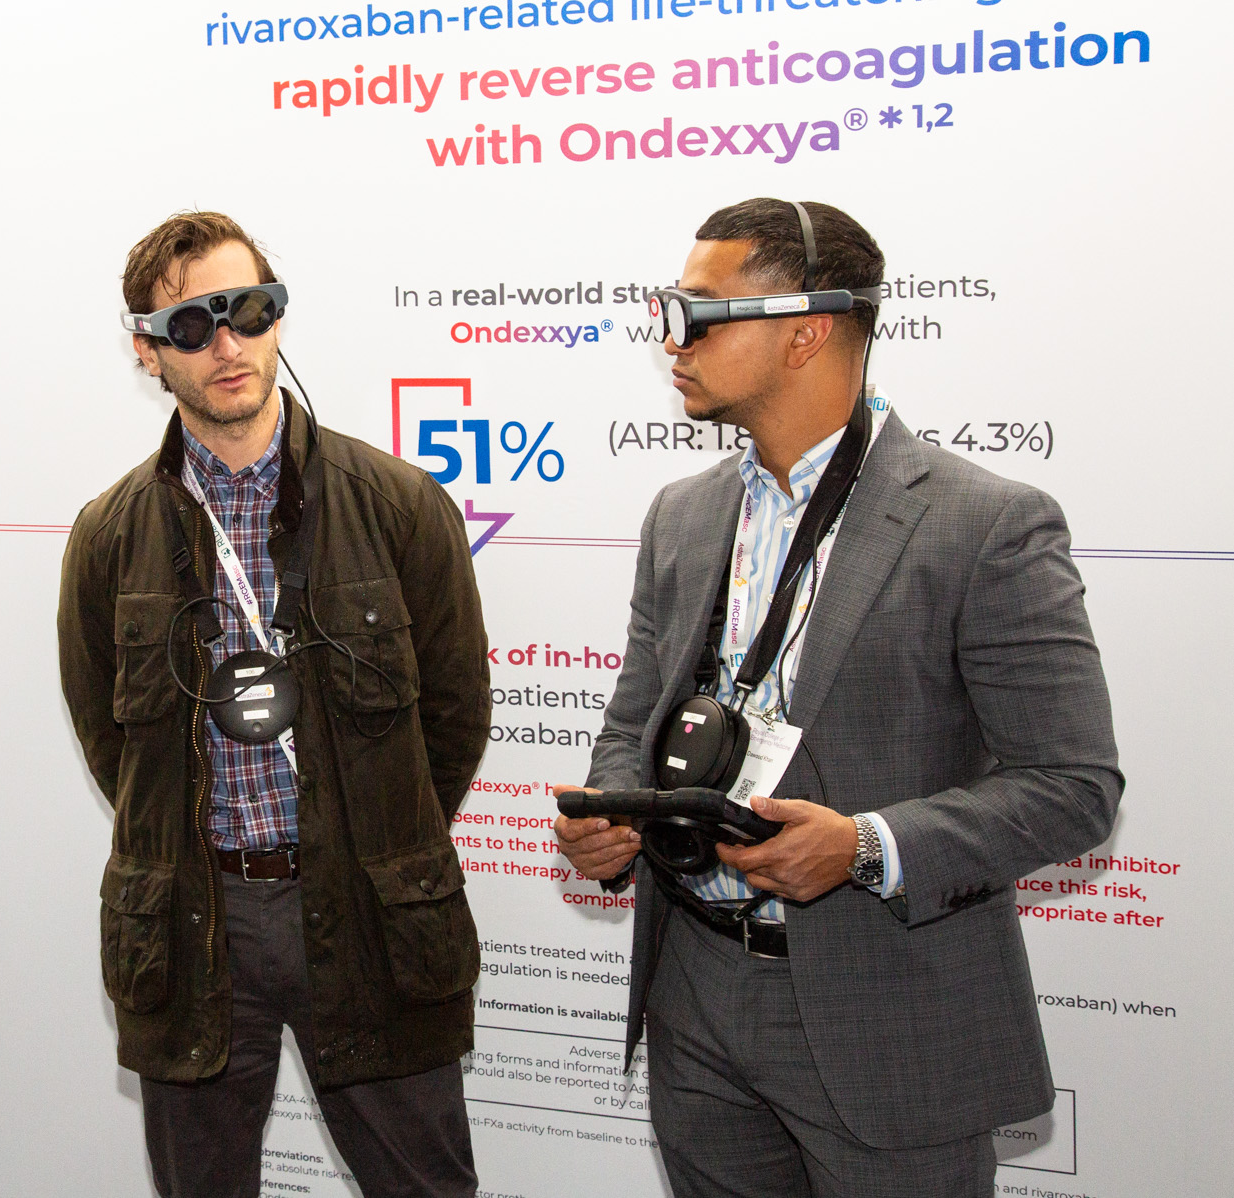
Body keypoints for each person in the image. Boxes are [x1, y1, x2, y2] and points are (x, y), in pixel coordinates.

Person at [553, 198, 1120, 1197]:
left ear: (806, 331)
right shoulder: (682, 515)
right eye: (668, 309)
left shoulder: (985, 524)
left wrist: (863, 846)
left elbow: (1073, 786)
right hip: (693, 990)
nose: (670, 338)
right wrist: (613, 813)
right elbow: (633, 720)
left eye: (697, 312)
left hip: (884, 1008)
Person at [56, 212, 491, 1198]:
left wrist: (375, 835)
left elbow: (455, 715)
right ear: (146, 349)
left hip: (372, 917)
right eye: (191, 323)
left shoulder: (398, 504)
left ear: (277, 318)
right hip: (196, 924)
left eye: (248, 310)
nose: (227, 343)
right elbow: (111, 740)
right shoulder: (108, 534)